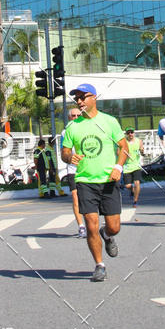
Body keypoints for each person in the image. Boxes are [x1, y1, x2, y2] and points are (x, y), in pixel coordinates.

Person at [61, 83, 128, 282]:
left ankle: (107, 235)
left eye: (83, 97)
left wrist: (118, 167)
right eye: (77, 98)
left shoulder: (109, 121)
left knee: (114, 227)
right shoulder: (72, 126)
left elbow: (123, 147)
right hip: (85, 181)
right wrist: (69, 157)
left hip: (108, 181)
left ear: (94, 98)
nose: (79, 101)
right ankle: (99, 265)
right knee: (90, 225)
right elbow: (65, 152)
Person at [61, 106, 86, 237]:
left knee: (87, 199)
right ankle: (81, 226)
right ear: (69, 118)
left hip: (87, 168)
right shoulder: (65, 132)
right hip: (73, 169)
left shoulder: (87, 128)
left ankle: (91, 223)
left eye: (78, 115)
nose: (76, 117)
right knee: (76, 198)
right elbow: (64, 151)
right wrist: (70, 157)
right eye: (73, 116)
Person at [123, 128, 144, 208]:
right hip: (127, 166)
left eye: (131, 132)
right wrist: (125, 154)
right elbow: (118, 152)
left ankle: (135, 201)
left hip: (136, 165)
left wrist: (142, 151)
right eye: (128, 133)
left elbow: (142, 152)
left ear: (134, 133)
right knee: (127, 186)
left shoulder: (139, 141)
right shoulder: (124, 142)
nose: (130, 134)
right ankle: (132, 190)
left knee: (137, 183)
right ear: (126, 134)